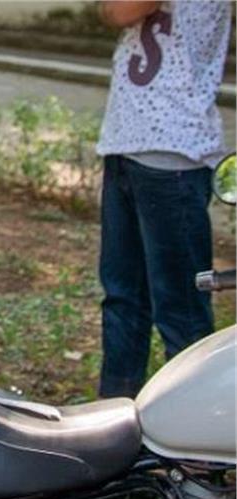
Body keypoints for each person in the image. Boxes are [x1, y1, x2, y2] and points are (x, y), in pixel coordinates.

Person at [96, 0, 233, 398]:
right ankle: (114, 415)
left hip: (174, 155)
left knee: (182, 312)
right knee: (122, 300)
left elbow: (122, 9)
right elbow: (108, 11)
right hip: (125, 144)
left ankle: (196, 425)